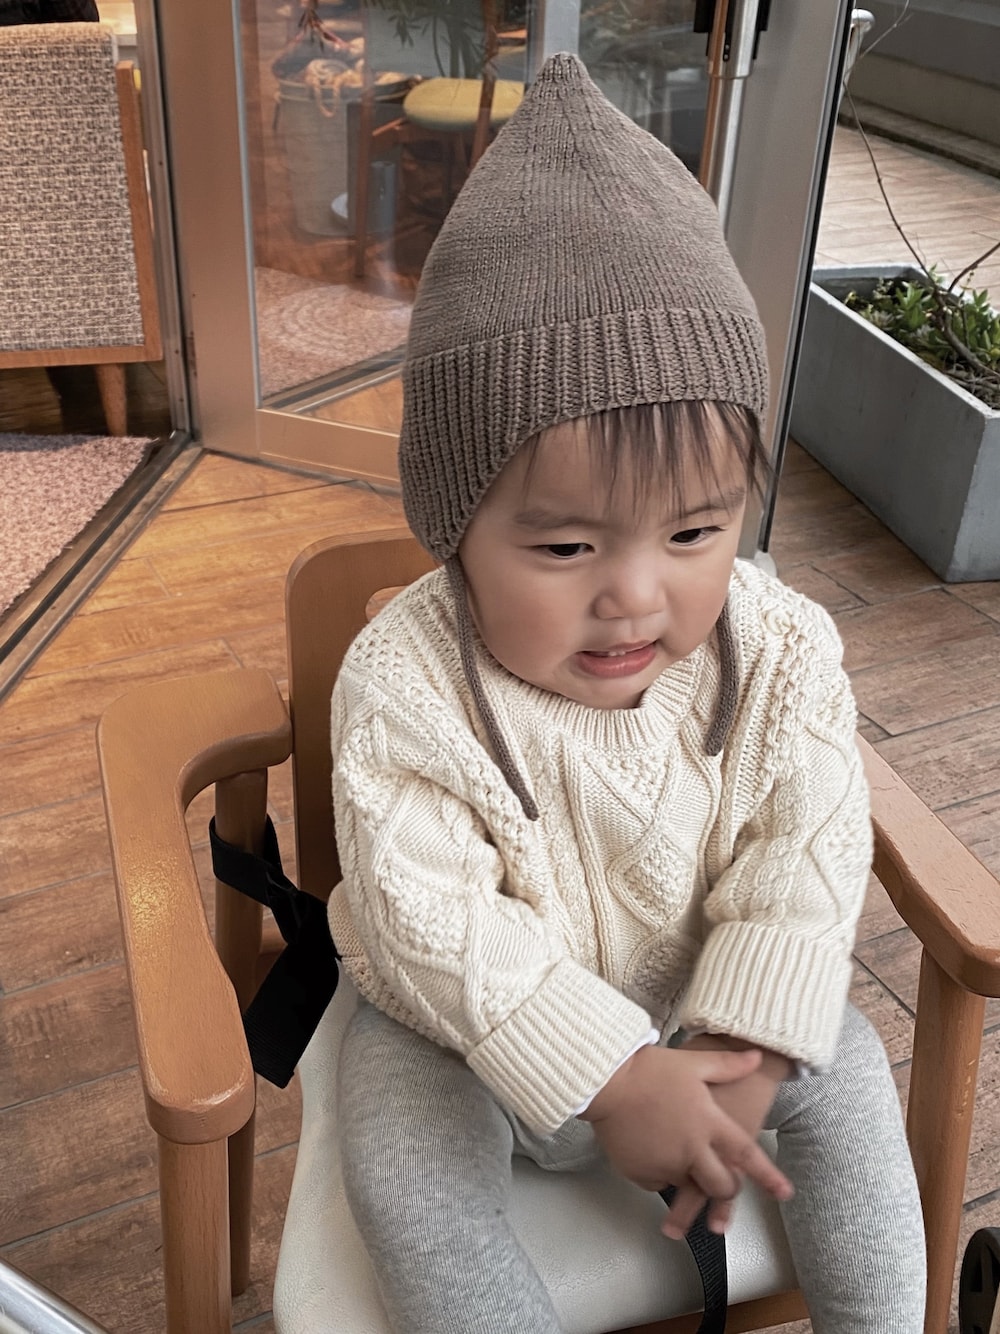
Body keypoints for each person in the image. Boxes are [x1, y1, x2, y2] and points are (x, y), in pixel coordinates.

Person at [328, 52, 925, 1334]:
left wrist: (753, 1041)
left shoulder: (778, 649)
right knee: (401, 1173)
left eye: (697, 530)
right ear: (451, 524)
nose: (637, 596)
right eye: (564, 544)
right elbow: (425, 909)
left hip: (701, 995)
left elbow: (809, 843)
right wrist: (606, 1073)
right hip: (463, 1030)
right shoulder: (403, 681)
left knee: (854, 1070)